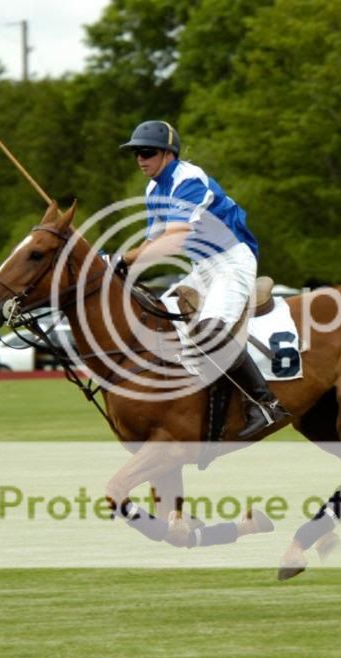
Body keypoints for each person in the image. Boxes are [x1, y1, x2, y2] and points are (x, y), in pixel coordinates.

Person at [117, 120, 289, 438]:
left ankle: (266, 404)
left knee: (211, 331)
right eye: (136, 154)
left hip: (232, 261)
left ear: (168, 153)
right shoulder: (154, 189)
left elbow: (173, 240)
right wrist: (117, 265)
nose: (140, 159)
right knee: (158, 317)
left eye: (147, 152)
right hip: (202, 268)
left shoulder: (188, 179)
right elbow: (152, 243)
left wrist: (122, 259)